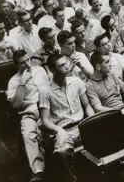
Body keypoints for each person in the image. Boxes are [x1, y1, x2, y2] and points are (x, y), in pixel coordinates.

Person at [38, 54, 94, 182]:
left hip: (83, 125)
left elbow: (87, 106)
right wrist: (58, 130)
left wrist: (92, 121)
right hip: (64, 130)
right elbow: (45, 120)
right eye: (61, 65)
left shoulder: (76, 81)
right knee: (62, 152)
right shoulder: (45, 91)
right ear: (52, 70)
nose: (67, 66)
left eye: (66, 63)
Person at [7, 50, 49, 182]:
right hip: (29, 112)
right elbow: (16, 104)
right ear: (17, 65)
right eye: (22, 63)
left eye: (28, 59)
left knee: (41, 132)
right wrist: (22, 82)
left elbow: (49, 88)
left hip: (47, 107)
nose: (27, 64)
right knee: (28, 134)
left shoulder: (40, 70)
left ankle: (51, 165)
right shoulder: (14, 81)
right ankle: (38, 171)